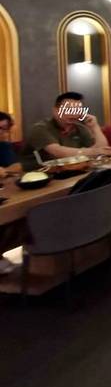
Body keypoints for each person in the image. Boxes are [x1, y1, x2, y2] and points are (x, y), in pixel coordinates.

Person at [26, 92, 111, 163]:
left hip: (72, 170)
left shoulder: (80, 128)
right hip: (39, 173)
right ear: (55, 111)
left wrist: (95, 127)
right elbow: (58, 152)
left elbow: (102, 150)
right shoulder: (40, 128)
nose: (73, 113)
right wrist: (93, 151)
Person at [0, 111, 22, 275]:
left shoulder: (4, 146)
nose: (1, 132)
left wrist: (4, 170)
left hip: (6, 193)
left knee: (23, 217)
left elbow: (17, 167)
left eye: (4, 129)